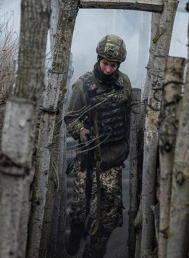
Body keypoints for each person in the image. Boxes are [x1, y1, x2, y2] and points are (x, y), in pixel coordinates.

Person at [64, 34, 132, 258]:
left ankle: (93, 253)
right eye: (105, 63)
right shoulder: (84, 86)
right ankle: (73, 240)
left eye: (113, 65)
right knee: (80, 212)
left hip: (113, 162)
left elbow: (128, 113)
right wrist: (83, 133)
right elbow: (70, 118)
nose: (108, 69)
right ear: (98, 59)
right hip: (89, 161)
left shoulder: (124, 84)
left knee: (109, 218)